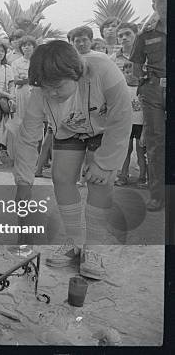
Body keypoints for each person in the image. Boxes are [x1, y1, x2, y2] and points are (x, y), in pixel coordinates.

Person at [14, 40, 132, 280]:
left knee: (100, 180)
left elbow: (122, 115)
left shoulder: (103, 69)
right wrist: (24, 183)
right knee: (60, 177)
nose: (51, 93)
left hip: (103, 129)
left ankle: (94, 248)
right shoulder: (39, 94)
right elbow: (27, 139)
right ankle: (74, 241)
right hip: (68, 132)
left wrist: (105, 162)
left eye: (57, 86)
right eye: (45, 88)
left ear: (75, 72)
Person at [129, 0, 167, 211]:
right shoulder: (144, 35)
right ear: (153, 4)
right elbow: (135, 68)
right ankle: (157, 195)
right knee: (155, 144)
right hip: (154, 92)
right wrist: (147, 82)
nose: (165, 3)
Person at [112, 22, 147, 188]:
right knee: (124, 148)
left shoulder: (147, 56)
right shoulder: (112, 59)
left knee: (142, 148)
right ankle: (122, 175)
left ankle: (143, 176)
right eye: (121, 35)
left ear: (136, 35)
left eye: (128, 34)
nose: (124, 38)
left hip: (143, 112)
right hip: (122, 113)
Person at [0, 41, 16, 165]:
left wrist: (11, 97)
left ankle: (7, 151)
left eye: (2, 51)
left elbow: (11, 84)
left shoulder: (8, 68)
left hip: (5, 100)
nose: (0, 53)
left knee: (8, 127)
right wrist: (8, 95)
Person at [10, 35, 37, 120]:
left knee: (36, 119)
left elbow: (42, 79)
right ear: (21, 48)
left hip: (36, 94)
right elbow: (16, 81)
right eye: (24, 46)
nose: (26, 47)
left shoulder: (39, 62)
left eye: (29, 45)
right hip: (22, 94)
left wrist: (25, 79)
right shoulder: (15, 63)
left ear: (33, 47)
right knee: (21, 119)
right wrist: (32, 79)